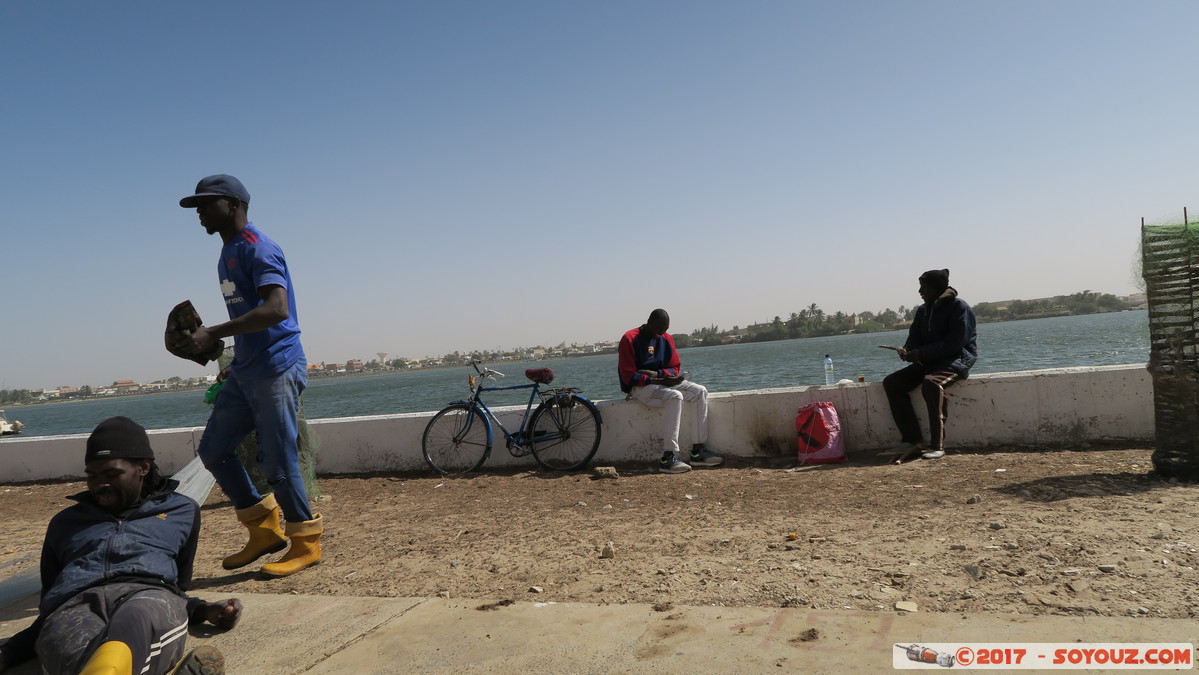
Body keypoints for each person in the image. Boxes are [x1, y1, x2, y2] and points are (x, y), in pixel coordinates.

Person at [0, 417, 241, 675]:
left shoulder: (181, 511)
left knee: (136, 618)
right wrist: (12, 650)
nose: (99, 485)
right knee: (71, 638)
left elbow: (177, 587)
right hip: (73, 605)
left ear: (144, 468)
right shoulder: (64, 523)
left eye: (112, 474)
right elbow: (51, 600)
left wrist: (202, 609)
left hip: (149, 596)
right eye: (91, 476)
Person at [172, 174, 322, 577]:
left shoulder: (259, 247)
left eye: (206, 204)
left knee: (278, 459)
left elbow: (277, 310)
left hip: (276, 367)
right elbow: (246, 316)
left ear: (234, 204)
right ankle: (263, 529)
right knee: (214, 450)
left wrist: (215, 331)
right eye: (196, 206)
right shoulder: (227, 252)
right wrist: (210, 345)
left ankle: (306, 542)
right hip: (246, 370)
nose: (199, 212)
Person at [883, 269, 978, 460]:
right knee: (892, 383)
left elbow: (955, 343)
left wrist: (922, 353)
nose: (920, 291)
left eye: (924, 287)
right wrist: (908, 351)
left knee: (931, 384)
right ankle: (915, 441)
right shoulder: (922, 310)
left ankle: (938, 446)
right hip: (928, 363)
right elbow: (914, 338)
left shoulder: (959, 307)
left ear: (936, 288)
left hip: (955, 361)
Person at [619, 309, 723, 473]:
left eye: (664, 329)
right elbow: (628, 376)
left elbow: (674, 367)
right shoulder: (630, 338)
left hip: (662, 382)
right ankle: (667, 457)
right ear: (649, 322)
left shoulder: (666, 338)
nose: (661, 333)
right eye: (658, 329)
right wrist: (655, 379)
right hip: (640, 388)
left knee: (700, 392)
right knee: (675, 396)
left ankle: (698, 452)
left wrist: (660, 375)